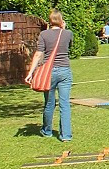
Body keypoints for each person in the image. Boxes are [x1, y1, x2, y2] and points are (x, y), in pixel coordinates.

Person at [25, 9, 75, 141]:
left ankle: (47, 131)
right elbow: (69, 46)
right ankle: (66, 135)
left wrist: (30, 73)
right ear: (61, 20)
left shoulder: (44, 35)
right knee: (65, 103)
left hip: (49, 72)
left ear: (50, 20)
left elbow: (39, 54)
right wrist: (63, 29)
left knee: (49, 103)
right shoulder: (68, 33)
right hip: (65, 70)